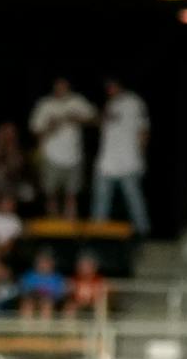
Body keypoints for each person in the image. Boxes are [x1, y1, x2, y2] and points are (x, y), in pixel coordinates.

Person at [29, 78, 97, 219]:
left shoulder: (77, 101)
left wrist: (78, 119)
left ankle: (70, 227)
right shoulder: (45, 104)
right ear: (54, 87)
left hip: (74, 156)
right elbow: (34, 130)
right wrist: (50, 126)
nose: (61, 88)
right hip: (50, 155)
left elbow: (95, 118)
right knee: (51, 193)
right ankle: (53, 224)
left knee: (71, 194)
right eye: (58, 85)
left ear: (69, 86)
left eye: (64, 85)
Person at [92, 78, 150, 231]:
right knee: (101, 200)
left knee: (134, 199)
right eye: (107, 87)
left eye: (112, 86)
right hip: (107, 162)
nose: (109, 90)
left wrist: (141, 155)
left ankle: (142, 232)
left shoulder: (134, 102)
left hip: (129, 161)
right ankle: (99, 232)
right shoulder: (109, 104)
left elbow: (143, 130)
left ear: (119, 85)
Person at [18, 248, 67, 319]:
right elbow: (24, 290)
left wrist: (46, 297)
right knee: (27, 305)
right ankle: (26, 329)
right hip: (33, 300)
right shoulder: (30, 276)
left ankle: (45, 329)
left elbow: (60, 294)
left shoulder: (57, 278)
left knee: (47, 305)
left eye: (46, 261)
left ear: (52, 263)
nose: (43, 264)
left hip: (50, 302)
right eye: (40, 261)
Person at [61, 251, 105, 318]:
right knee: (70, 306)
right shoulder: (75, 278)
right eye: (81, 265)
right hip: (77, 303)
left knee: (100, 306)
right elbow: (67, 291)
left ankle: (100, 326)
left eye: (87, 265)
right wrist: (69, 288)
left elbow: (101, 293)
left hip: (92, 304)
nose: (83, 268)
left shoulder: (98, 279)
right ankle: (68, 327)